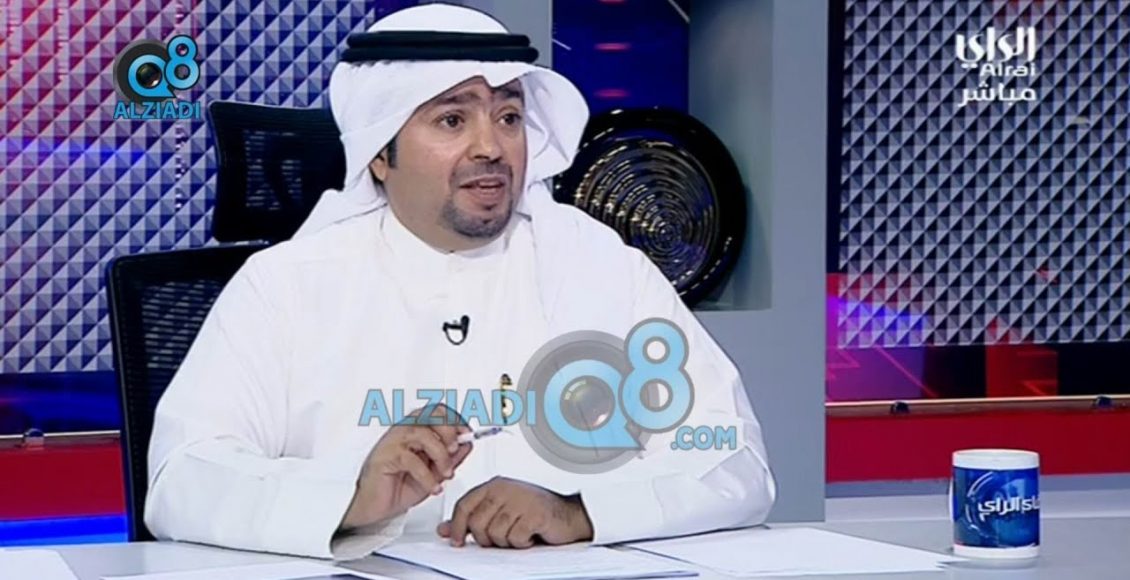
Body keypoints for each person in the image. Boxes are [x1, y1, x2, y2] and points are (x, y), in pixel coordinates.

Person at [145, 2, 776, 561]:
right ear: (380, 153)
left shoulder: (603, 268)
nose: (491, 148)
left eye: (509, 118)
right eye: (452, 121)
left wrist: (579, 511)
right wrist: (349, 498)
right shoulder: (287, 285)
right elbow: (182, 479)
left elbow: (732, 457)